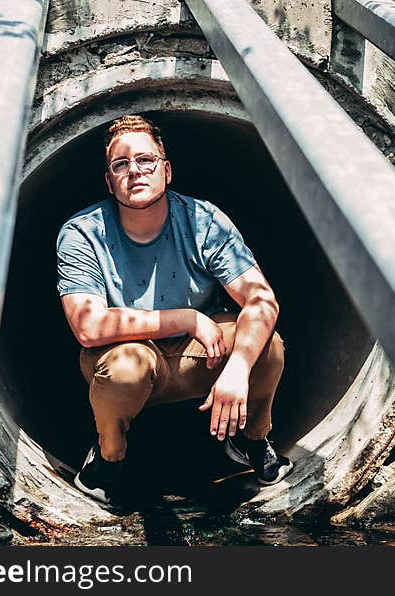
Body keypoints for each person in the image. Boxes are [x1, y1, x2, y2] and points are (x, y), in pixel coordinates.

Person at [56, 115, 292, 504]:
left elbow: (261, 298)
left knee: (268, 344)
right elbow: (88, 327)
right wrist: (185, 317)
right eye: (121, 164)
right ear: (108, 180)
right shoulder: (83, 232)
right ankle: (108, 457)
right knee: (126, 368)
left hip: (202, 355)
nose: (134, 171)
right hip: (129, 355)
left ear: (166, 170)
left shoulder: (202, 220)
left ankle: (252, 440)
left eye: (145, 160)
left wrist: (238, 368)